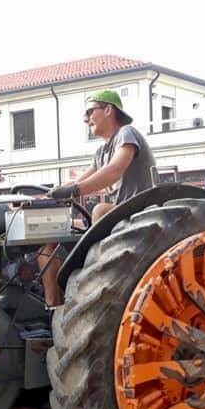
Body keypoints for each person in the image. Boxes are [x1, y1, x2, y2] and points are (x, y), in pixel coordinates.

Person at [37, 90, 156, 306]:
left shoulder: (126, 134)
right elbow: (78, 181)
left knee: (100, 210)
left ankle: (99, 283)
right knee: (54, 235)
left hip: (141, 211)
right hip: (123, 212)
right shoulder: (101, 151)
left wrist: (74, 191)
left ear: (108, 110)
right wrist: (42, 198)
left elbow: (114, 170)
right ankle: (52, 305)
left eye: (89, 112)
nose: (86, 119)